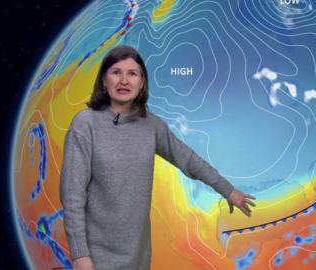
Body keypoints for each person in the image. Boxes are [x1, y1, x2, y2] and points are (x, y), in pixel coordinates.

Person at [59, 45, 256, 270]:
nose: (124, 80)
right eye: (116, 72)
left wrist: (228, 190)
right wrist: (80, 255)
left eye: (132, 73)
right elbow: (72, 194)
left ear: (142, 83)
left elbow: (188, 159)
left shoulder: (152, 126)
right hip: (94, 260)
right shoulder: (85, 124)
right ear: (104, 80)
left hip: (139, 258)